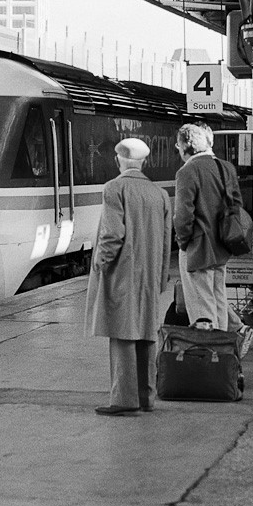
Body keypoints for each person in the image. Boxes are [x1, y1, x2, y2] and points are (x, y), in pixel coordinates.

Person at [85, 138, 171, 416]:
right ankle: (146, 397)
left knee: (122, 335)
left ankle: (123, 400)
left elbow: (112, 234)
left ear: (117, 160)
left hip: (122, 272)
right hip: (149, 274)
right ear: (144, 162)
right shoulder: (159, 194)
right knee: (147, 333)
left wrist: (100, 263)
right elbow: (168, 239)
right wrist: (161, 276)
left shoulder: (114, 188)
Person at [173, 123, 242, 332]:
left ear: (186, 145)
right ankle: (224, 351)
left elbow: (183, 216)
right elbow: (237, 205)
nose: (179, 150)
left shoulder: (188, 171)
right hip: (223, 246)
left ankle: (210, 353)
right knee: (219, 301)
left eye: (178, 146)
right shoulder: (226, 167)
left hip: (198, 248)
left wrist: (183, 242)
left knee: (202, 308)